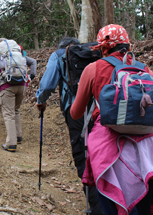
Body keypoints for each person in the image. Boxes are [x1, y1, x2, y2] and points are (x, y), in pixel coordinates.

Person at [70, 25, 153, 215]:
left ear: (102, 48)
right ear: (128, 46)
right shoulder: (144, 70)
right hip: (149, 153)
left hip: (110, 149)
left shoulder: (93, 69)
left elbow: (76, 113)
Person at [35, 37, 103, 214]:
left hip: (76, 110)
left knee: (82, 153)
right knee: (103, 152)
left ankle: (96, 205)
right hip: (103, 109)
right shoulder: (95, 54)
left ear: (62, 48)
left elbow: (47, 84)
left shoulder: (58, 55)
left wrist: (40, 100)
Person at [0, 38, 37, 152]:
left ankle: (11, 143)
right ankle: (18, 136)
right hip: (22, 86)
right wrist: (31, 76)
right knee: (16, 110)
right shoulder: (17, 53)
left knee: (8, 114)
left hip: (7, 86)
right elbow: (33, 62)